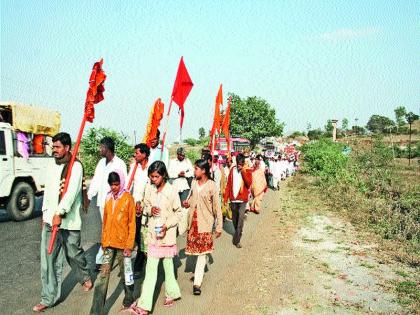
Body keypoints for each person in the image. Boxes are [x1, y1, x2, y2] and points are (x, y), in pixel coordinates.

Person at [33, 132, 92, 313]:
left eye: (58, 147)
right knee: (48, 260)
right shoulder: (52, 166)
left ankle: (84, 276)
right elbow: (49, 194)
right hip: (51, 221)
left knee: (73, 254)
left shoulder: (75, 166)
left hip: (68, 222)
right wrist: (46, 216)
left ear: (67, 148)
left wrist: (60, 212)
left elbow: (72, 192)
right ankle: (48, 298)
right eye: (53, 147)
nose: (54, 150)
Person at [130, 161, 182, 315]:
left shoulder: (172, 191)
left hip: (167, 236)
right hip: (153, 235)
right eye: (151, 177)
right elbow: (146, 206)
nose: (153, 179)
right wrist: (149, 209)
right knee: (151, 270)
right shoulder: (150, 189)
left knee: (168, 267)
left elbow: (179, 213)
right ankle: (145, 306)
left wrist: (167, 225)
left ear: (164, 175)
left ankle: (171, 293)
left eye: (156, 177)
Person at [90, 171, 136, 314]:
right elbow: (105, 222)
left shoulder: (128, 198)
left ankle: (129, 299)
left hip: (124, 245)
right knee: (102, 277)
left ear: (121, 183)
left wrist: (129, 246)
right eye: (112, 184)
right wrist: (104, 242)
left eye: (117, 184)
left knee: (126, 274)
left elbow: (132, 224)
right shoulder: (108, 198)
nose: (114, 187)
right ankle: (96, 311)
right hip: (109, 243)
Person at [183, 159, 222, 295]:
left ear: (203, 170)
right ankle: (198, 273)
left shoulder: (212, 185)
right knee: (195, 251)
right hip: (193, 223)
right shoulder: (193, 183)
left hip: (205, 224)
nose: (194, 171)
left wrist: (219, 226)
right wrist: (187, 203)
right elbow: (191, 198)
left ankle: (197, 283)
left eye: (196, 169)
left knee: (202, 253)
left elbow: (217, 207)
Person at [88, 137, 127, 266]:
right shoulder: (101, 163)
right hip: (102, 203)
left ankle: (101, 259)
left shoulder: (119, 164)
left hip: (114, 203)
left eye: (101, 147)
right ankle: (108, 255)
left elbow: (123, 184)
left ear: (107, 148)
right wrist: (89, 197)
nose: (100, 149)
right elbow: (95, 181)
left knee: (109, 230)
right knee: (107, 230)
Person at [127, 143, 150, 277]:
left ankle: (139, 265)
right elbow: (129, 185)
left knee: (143, 235)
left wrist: (143, 203)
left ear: (144, 154)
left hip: (146, 206)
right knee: (135, 235)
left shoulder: (151, 168)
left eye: (137, 153)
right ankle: (144, 257)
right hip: (134, 205)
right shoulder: (133, 167)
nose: (135, 155)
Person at [223, 153, 252, 248]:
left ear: (243, 163)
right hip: (233, 199)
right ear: (236, 162)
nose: (239, 165)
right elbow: (228, 185)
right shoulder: (232, 170)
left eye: (241, 164)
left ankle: (236, 240)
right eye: (238, 164)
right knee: (234, 220)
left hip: (242, 200)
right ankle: (238, 232)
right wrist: (225, 198)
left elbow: (248, 184)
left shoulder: (247, 170)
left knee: (240, 220)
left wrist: (243, 172)